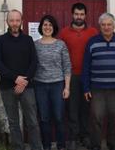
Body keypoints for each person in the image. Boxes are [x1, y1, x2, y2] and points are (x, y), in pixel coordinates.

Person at [0, 9, 43, 150]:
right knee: (13, 122)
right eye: (12, 20)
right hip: (7, 87)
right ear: (7, 22)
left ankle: (37, 147)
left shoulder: (28, 40)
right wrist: (16, 79)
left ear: (22, 21)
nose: (14, 23)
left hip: (27, 87)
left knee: (32, 121)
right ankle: (18, 147)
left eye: (17, 20)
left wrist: (24, 81)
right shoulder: (0, 41)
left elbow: (34, 63)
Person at [81, 13, 115, 150]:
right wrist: (86, 88)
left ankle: (113, 145)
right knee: (96, 118)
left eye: (109, 24)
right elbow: (85, 66)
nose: (106, 27)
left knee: (114, 119)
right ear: (100, 26)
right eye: (103, 25)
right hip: (97, 89)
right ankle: (96, 145)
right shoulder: (92, 42)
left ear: (114, 26)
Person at [59, 3, 98, 150]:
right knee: (72, 108)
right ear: (72, 14)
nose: (79, 17)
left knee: (87, 108)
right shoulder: (64, 33)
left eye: (81, 14)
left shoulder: (93, 32)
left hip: (89, 76)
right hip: (71, 76)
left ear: (85, 15)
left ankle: (85, 137)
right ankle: (74, 138)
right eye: (76, 14)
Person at [34, 15, 71, 150]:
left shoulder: (61, 44)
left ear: (54, 27)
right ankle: (46, 146)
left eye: (50, 25)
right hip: (40, 85)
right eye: (45, 25)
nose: (47, 27)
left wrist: (67, 87)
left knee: (59, 117)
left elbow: (67, 66)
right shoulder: (35, 45)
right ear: (41, 27)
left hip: (57, 85)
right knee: (44, 118)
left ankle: (61, 146)